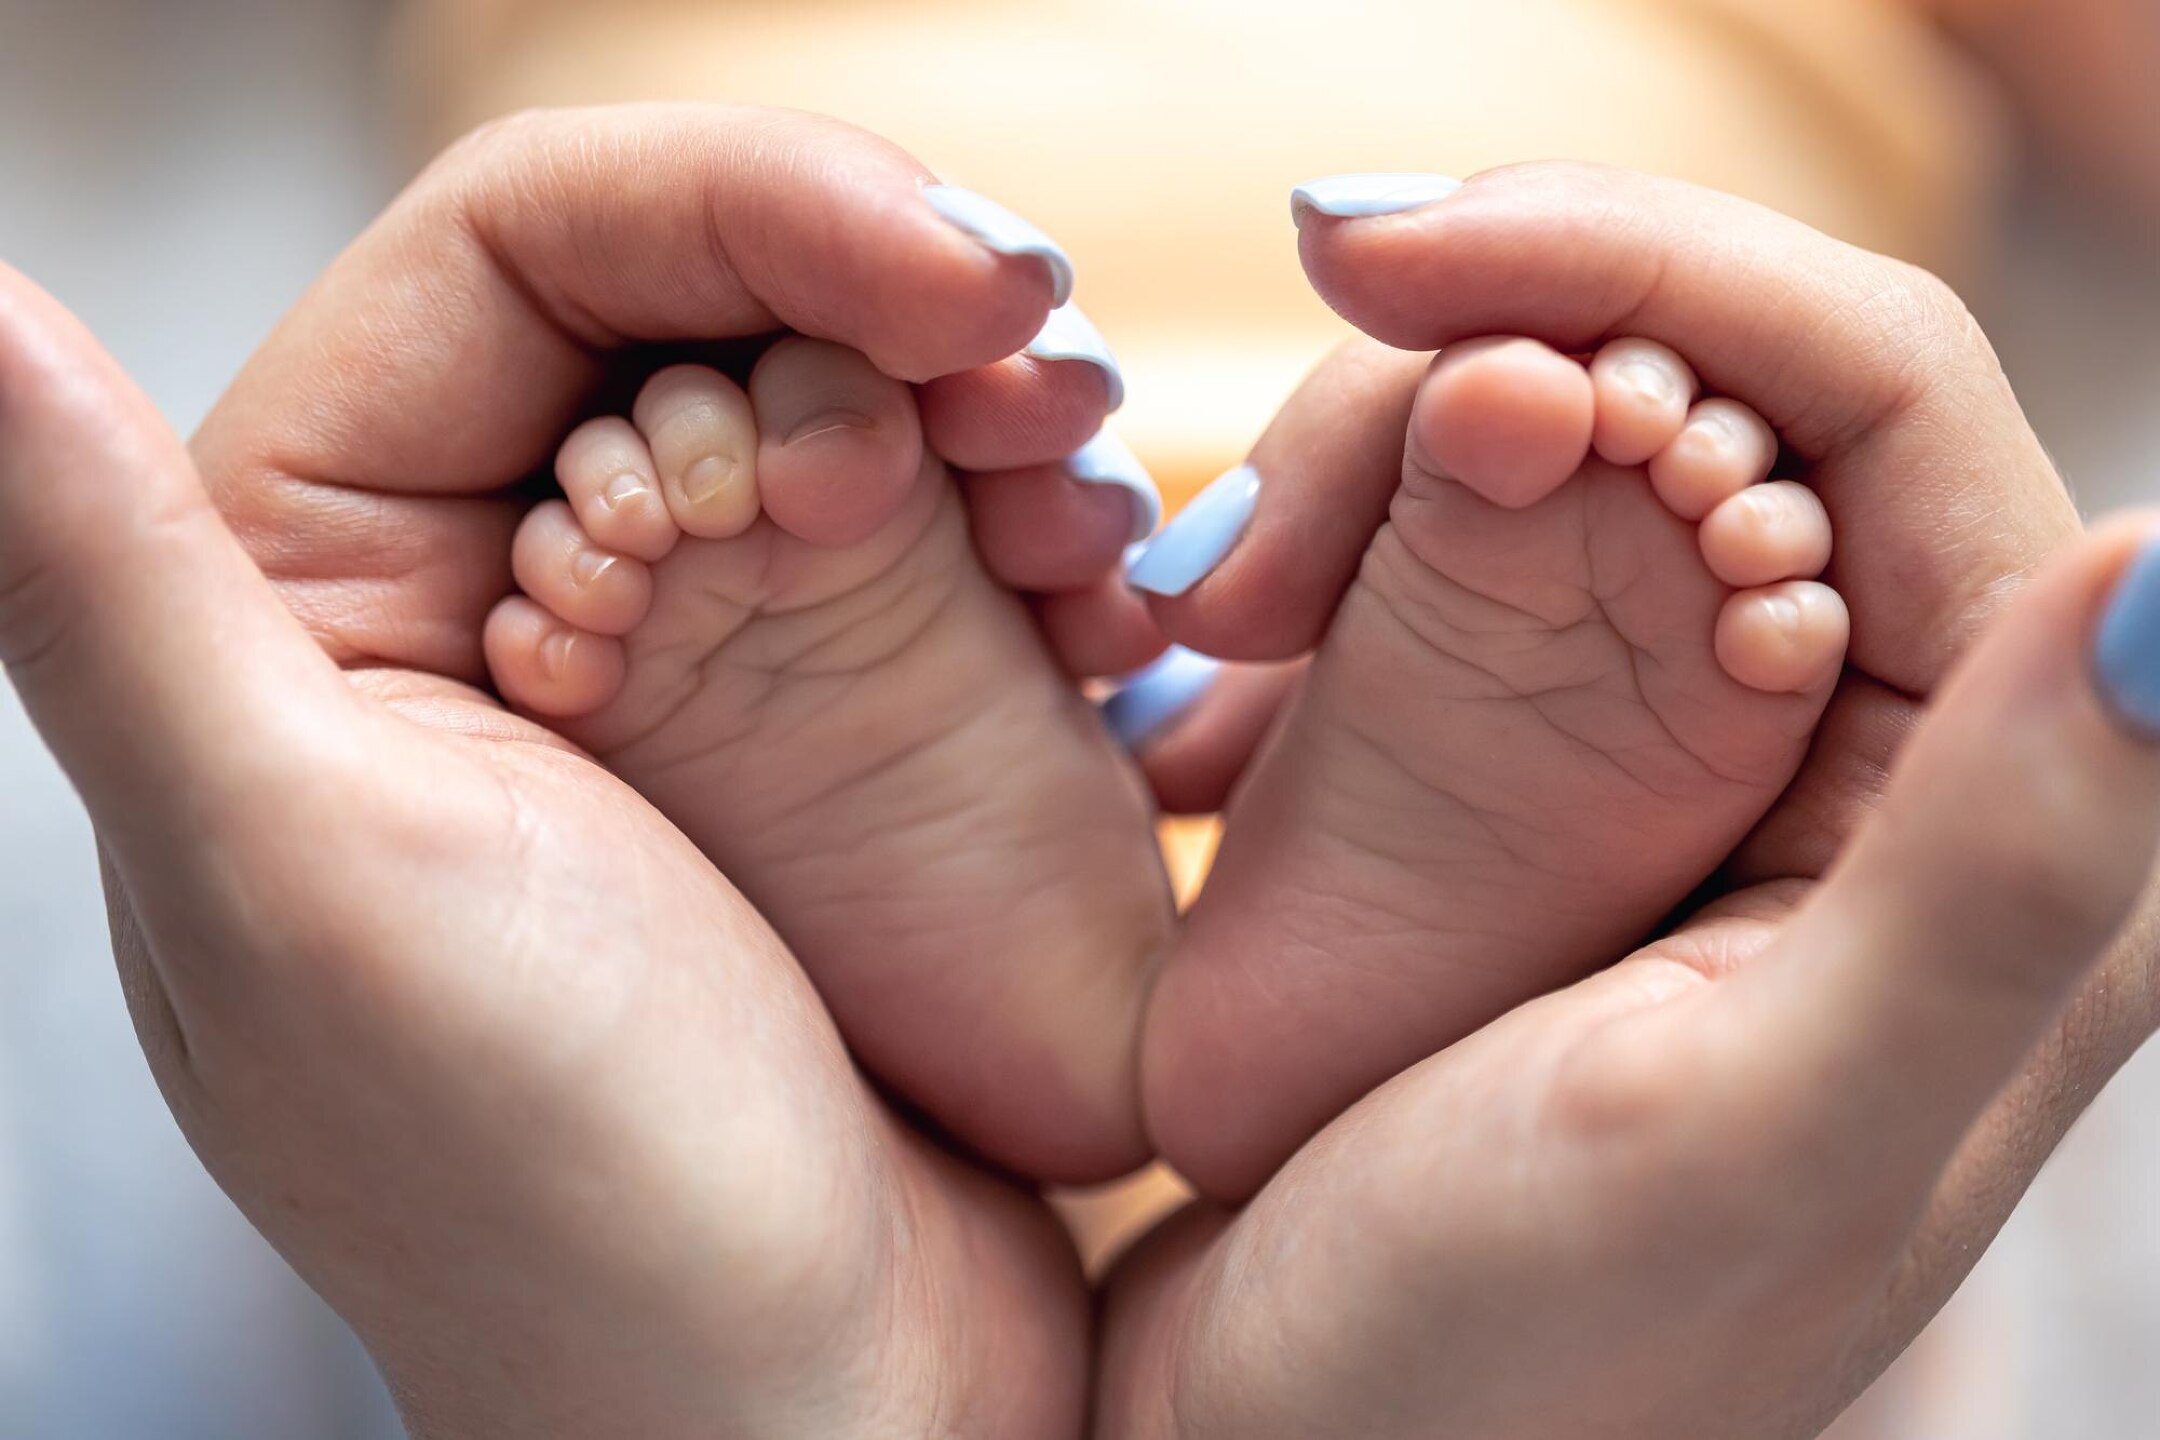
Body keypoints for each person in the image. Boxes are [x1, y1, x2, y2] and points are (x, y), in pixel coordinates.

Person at [3, 104, 2157, 1435]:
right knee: (1597, 460)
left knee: (773, 441)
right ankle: (1597, 1137)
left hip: (875, 421)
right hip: (1471, 430)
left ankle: (1044, 916)